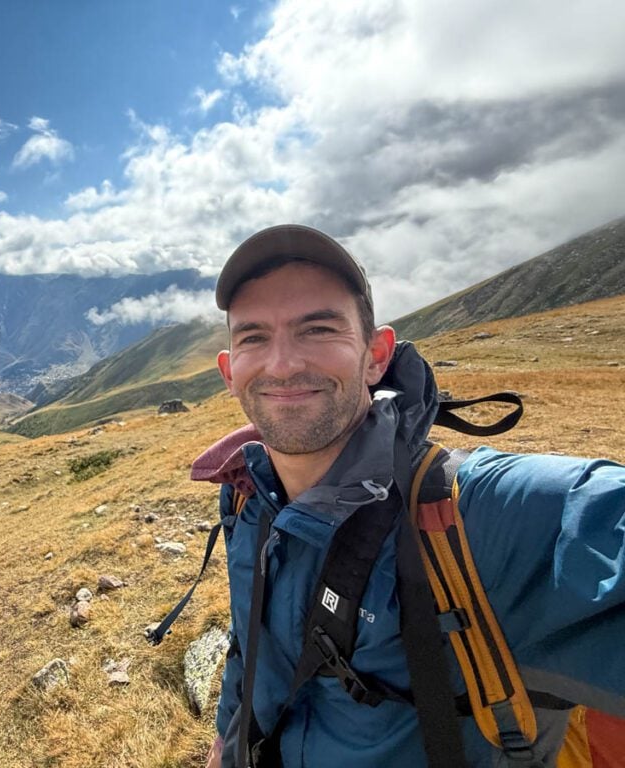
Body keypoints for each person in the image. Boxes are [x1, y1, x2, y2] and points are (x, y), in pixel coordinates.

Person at [192, 224, 625, 767]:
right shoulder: (247, 496)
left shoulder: (473, 514)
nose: (281, 364)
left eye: (319, 329)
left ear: (376, 355)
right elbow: (250, 643)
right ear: (230, 373)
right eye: (254, 336)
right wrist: (223, 746)